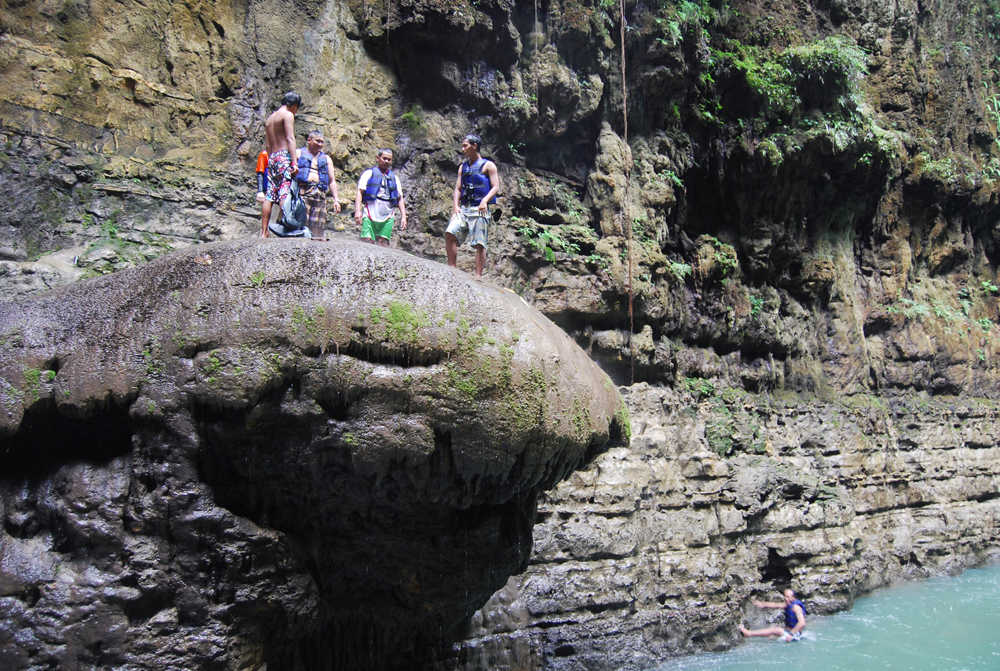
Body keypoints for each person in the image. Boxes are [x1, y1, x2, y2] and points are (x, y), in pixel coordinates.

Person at [446, 133, 500, 277]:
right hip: (464, 208)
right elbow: (458, 188)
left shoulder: (488, 165)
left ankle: (477, 276)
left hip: (480, 209)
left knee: (480, 243)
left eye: (465, 146)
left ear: (474, 146)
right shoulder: (463, 167)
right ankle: (452, 268)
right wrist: (455, 206)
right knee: (450, 232)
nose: (462, 149)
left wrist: (485, 200)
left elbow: (495, 187)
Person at [261, 91, 302, 237]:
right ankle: (285, 227)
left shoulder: (270, 119)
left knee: (270, 194)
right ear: (294, 105)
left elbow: (267, 145)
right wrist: (294, 162)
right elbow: (290, 138)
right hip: (284, 156)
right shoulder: (288, 114)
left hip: (272, 157)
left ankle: (264, 231)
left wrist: (271, 161)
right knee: (285, 190)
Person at [354, 148, 407, 246]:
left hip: (387, 215)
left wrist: (403, 216)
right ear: (378, 158)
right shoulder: (369, 173)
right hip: (370, 212)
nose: (386, 161)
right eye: (384, 158)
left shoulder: (395, 178)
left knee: (384, 242)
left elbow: (400, 198)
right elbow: (359, 192)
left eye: (389, 159)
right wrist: (357, 211)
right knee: (367, 241)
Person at [297, 130, 341, 239]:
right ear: (309, 140)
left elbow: (332, 181)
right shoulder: (298, 153)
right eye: (317, 141)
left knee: (318, 225)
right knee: (301, 221)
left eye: (322, 142)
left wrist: (336, 199)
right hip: (303, 191)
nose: (320, 144)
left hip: (319, 194)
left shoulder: (326, 159)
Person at [739, 588, 807, 642]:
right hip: (789, 631)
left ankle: (748, 634)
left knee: (774, 630)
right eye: (785, 596)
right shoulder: (788, 604)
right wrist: (762, 604)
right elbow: (776, 605)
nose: (785, 598)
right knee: (771, 637)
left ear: (793, 598)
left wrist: (791, 634)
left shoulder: (796, 607)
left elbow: (802, 623)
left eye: (787, 597)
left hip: (795, 634)